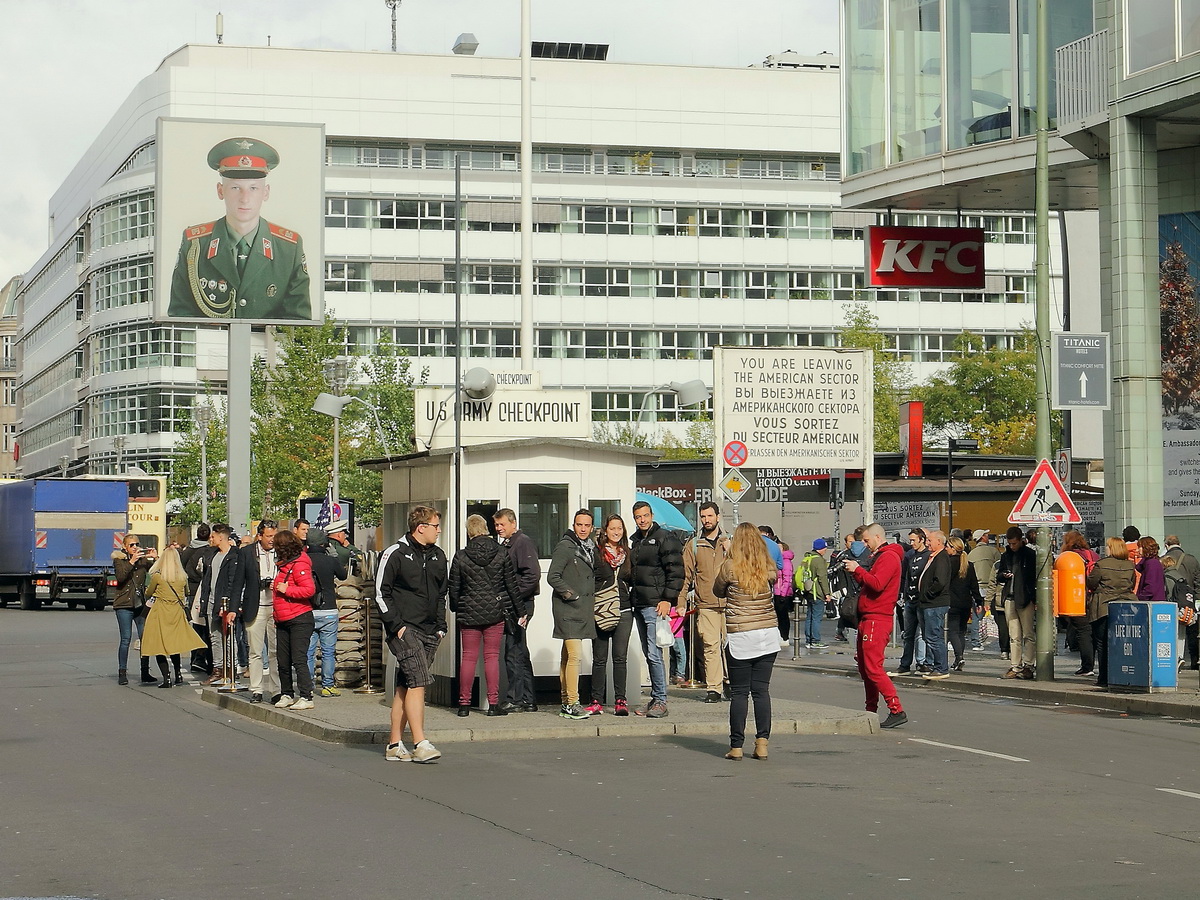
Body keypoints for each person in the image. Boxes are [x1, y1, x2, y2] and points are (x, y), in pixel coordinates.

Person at [168, 137, 311, 320]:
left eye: (253, 188)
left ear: (265, 192)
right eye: (235, 188)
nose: (244, 198)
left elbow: (299, 323)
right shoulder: (195, 244)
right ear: (220, 191)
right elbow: (181, 318)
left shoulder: (289, 248)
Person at [376, 506, 449, 764]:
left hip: (431, 630)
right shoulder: (394, 553)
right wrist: (396, 625)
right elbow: (380, 593)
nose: (439, 530)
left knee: (406, 684)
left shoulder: (439, 556)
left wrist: (441, 627)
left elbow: (442, 594)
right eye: (435, 525)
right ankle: (420, 742)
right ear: (421, 527)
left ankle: (394, 744)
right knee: (419, 679)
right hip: (404, 628)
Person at [714, 523, 780, 760]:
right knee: (761, 691)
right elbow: (773, 580)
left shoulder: (729, 567)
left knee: (740, 693)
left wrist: (727, 554)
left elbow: (717, 590)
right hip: (767, 634)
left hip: (741, 635)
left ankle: (736, 746)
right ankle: (762, 743)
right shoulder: (767, 567)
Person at [448, 514, 520, 716]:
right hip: (495, 612)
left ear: (469, 531)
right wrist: (520, 610)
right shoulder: (501, 553)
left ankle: (463, 705)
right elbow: (511, 584)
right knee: (491, 657)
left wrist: (456, 606)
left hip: (468, 611)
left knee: (469, 657)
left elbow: (454, 587)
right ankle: (493, 704)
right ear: (486, 529)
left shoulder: (460, 556)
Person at [845, 523, 907, 728]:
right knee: (866, 668)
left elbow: (878, 583)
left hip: (877, 618)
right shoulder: (881, 556)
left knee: (873, 667)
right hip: (869, 617)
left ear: (878, 537)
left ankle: (896, 709)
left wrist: (858, 570)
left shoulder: (888, 557)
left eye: (866, 540)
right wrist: (858, 572)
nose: (865, 544)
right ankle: (870, 710)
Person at [630, 499, 685, 718]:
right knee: (648, 652)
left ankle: (661, 700)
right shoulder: (636, 541)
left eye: (645, 515)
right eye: (637, 517)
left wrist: (667, 599)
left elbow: (676, 571)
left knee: (654, 653)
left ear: (651, 515)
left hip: (655, 604)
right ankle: (655, 698)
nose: (642, 520)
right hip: (640, 602)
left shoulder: (664, 537)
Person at [548, 509, 599, 720]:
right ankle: (572, 702)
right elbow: (553, 576)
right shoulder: (566, 546)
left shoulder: (589, 547)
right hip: (568, 609)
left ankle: (565, 701)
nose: (583, 529)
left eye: (587, 525)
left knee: (567, 656)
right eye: (580, 525)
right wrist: (572, 595)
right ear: (574, 525)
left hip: (580, 610)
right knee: (575, 656)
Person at [678, 501, 731, 703]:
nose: (707, 520)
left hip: (730, 603)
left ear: (718, 517)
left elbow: (742, 569)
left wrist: (731, 549)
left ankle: (729, 682)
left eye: (710, 516)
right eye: (703, 516)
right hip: (706, 604)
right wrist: (681, 601)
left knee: (730, 647)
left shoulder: (730, 542)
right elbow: (686, 576)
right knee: (710, 645)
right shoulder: (693, 545)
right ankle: (714, 688)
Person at [494, 508, 541, 714]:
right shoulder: (509, 544)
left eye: (502, 524)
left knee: (513, 651)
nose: (499, 528)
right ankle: (528, 699)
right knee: (519, 650)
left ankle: (516, 698)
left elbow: (532, 575)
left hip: (520, 605)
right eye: (496, 525)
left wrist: (511, 595)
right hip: (516, 603)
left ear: (513, 523)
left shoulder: (522, 543)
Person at [140, 546, 205, 688]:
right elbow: (187, 592)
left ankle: (166, 678)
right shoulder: (183, 577)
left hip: (160, 612)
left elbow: (148, 592)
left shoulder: (158, 576)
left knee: (159, 646)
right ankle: (178, 675)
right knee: (174, 645)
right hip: (176, 612)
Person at [591, 514, 635, 715]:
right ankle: (596, 700)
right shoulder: (597, 554)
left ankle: (620, 700)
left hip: (624, 609)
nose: (616, 532)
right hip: (601, 609)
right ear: (605, 531)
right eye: (612, 529)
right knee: (599, 658)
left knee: (620, 658)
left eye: (620, 528)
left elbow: (635, 580)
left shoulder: (628, 554)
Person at [198, 524, 249, 687]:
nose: (210, 539)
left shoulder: (235, 556)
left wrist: (227, 603)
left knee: (229, 637)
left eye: (213, 536)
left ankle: (231, 670)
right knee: (214, 637)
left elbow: (233, 582)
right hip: (210, 600)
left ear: (221, 537)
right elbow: (206, 578)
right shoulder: (211, 554)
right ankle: (218, 669)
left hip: (224, 602)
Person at [271, 530, 316, 711]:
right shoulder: (284, 565)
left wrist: (285, 589)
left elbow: (308, 590)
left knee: (298, 658)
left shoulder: (299, 564)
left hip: (299, 617)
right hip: (283, 618)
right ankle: (287, 693)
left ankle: (306, 695)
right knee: (283, 660)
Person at [1086, 537, 1136, 689]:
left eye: (1108, 546)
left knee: (1102, 643)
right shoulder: (1130, 565)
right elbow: (1132, 584)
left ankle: (1103, 678)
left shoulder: (1102, 564)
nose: (1106, 548)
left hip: (1103, 607)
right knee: (1124, 643)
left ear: (1112, 548)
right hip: (1126, 606)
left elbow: (1091, 583)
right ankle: (1123, 675)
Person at [306, 529, 347, 698]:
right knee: (328, 651)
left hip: (308, 610)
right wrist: (335, 556)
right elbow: (343, 576)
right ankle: (327, 685)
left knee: (308, 651)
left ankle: (307, 685)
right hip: (329, 609)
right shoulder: (330, 560)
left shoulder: (304, 560)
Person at [113, 533, 158, 685]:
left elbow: (157, 573)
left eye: (136, 544)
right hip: (124, 604)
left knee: (145, 638)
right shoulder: (119, 560)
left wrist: (155, 558)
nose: (134, 547)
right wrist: (131, 562)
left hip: (140, 604)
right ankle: (122, 672)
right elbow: (120, 577)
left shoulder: (143, 560)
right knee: (125, 639)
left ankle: (145, 671)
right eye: (131, 545)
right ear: (124, 547)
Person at [242, 520, 278, 703]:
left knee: (275, 651)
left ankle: (276, 690)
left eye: (274, 535)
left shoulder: (281, 552)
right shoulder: (247, 553)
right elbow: (238, 582)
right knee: (255, 651)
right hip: (254, 606)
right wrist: (234, 608)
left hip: (276, 607)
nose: (273, 540)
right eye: (269, 536)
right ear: (260, 536)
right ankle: (256, 689)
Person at [997, 526, 1037, 679]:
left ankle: (1028, 665)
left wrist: (1034, 598)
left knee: (1028, 634)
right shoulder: (1006, 555)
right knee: (1014, 635)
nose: (1012, 546)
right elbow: (999, 575)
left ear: (1021, 541)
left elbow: (1033, 578)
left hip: (1025, 598)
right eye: (1010, 543)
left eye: (1014, 543)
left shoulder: (1029, 555)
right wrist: (1004, 575)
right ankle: (1015, 666)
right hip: (1010, 597)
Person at [1061, 531, 1099, 676]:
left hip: (1076, 598)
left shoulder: (1069, 556)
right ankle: (1094, 665)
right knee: (1093, 631)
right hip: (1093, 597)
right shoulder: (1092, 555)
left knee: (1083, 632)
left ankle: (1087, 666)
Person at [892, 528, 930, 676]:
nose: (912, 543)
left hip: (922, 600)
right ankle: (905, 663)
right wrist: (903, 594)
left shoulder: (928, 556)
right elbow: (905, 576)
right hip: (910, 599)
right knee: (908, 634)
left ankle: (922, 662)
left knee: (922, 634)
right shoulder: (910, 555)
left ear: (922, 539)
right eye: (911, 540)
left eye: (914, 540)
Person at [917, 530, 952, 679]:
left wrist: (927, 594)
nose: (927, 543)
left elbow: (940, 581)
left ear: (939, 541)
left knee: (934, 636)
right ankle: (936, 666)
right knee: (930, 636)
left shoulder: (941, 558)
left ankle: (941, 668)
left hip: (934, 603)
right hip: (928, 603)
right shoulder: (934, 557)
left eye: (930, 540)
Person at [945, 535, 983, 672]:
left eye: (947, 546)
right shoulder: (968, 565)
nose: (945, 549)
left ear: (953, 549)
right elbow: (974, 586)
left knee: (952, 631)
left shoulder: (948, 563)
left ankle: (959, 657)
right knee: (961, 632)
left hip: (952, 602)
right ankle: (959, 658)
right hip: (966, 603)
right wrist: (979, 601)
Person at [180, 523, 214, 673]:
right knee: (206, 627)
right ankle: (203, 658)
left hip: (192, 590)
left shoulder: (188, 550)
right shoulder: (209, 551)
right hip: (202, 590)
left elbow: (181, 566)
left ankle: (196, 658)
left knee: (196, 626)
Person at [1164, 535, 1200, 669]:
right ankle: (1194, 660)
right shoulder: (1191, 559)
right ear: (1180, 543)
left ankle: (1177, 657)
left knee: (1173, 631)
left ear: (1166, 545)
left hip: (1172, 601)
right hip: (1190, 601)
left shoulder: (1164, 560)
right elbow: (1198, 582)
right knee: (1191, 632)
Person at [967, 530, 1001, 653]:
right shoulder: (994, 552)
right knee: (996, 615)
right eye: (986, 535)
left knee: (977, 616)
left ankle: (976, 642)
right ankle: (1003, 644)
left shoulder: (971, 554)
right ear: (983, 538)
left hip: (977, 587)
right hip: (991, 587)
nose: (988, 537)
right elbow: (999, 568)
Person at [796, 538, 831, 650]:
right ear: (821, 548)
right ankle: (815, 640)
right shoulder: (819, 560)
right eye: (825, 548)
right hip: (817, 592)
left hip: (808, 591)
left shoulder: (807, 558)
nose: (826, 550)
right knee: (816, 617)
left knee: (809, 617)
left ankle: (808, 640)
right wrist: (827, 593)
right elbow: (822, 578)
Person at [771, 537, 795, 646]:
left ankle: (785, 637)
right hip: (776, 592)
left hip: (782, 593)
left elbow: (787, 579)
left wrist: (783, 594)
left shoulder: (786, 562)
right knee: (778, 616)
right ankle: (780, 635)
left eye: (779, 547)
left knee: (783, 616)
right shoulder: (777, 560)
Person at [1136, 536, 1166, 603]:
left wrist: (1140, 599)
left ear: (1146, 548)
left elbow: (1150, 587)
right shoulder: (1150, 562)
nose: (1137, 550)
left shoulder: (1152, 564)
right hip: (1152, 603)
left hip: (1152, 604)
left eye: (1139, 547)